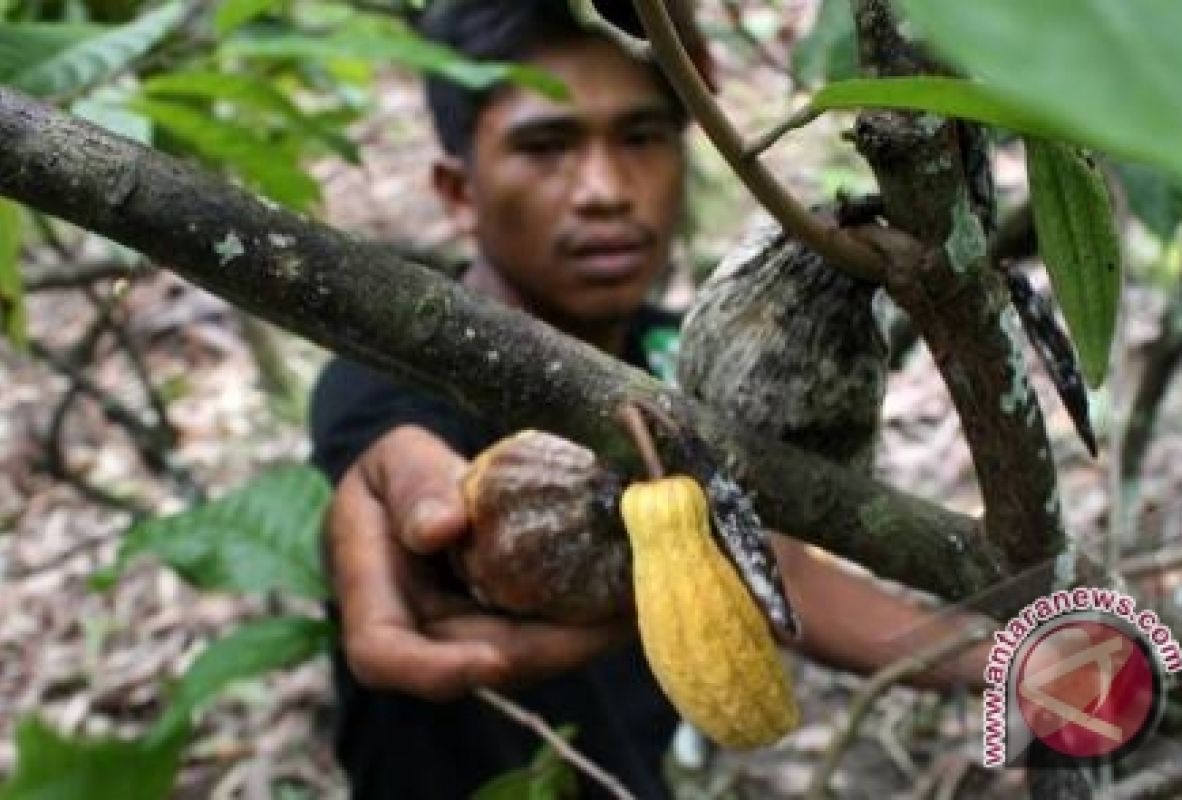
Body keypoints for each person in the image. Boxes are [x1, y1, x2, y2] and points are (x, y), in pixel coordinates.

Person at [311, 2, 987, 797]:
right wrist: (405, 497)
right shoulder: (393, 370)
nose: (603, 190)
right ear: (458, 191)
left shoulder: (683, 361)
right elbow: (392, 468)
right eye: (546, 146)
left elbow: (775, 569)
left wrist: (1014, 661)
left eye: (639, 137)